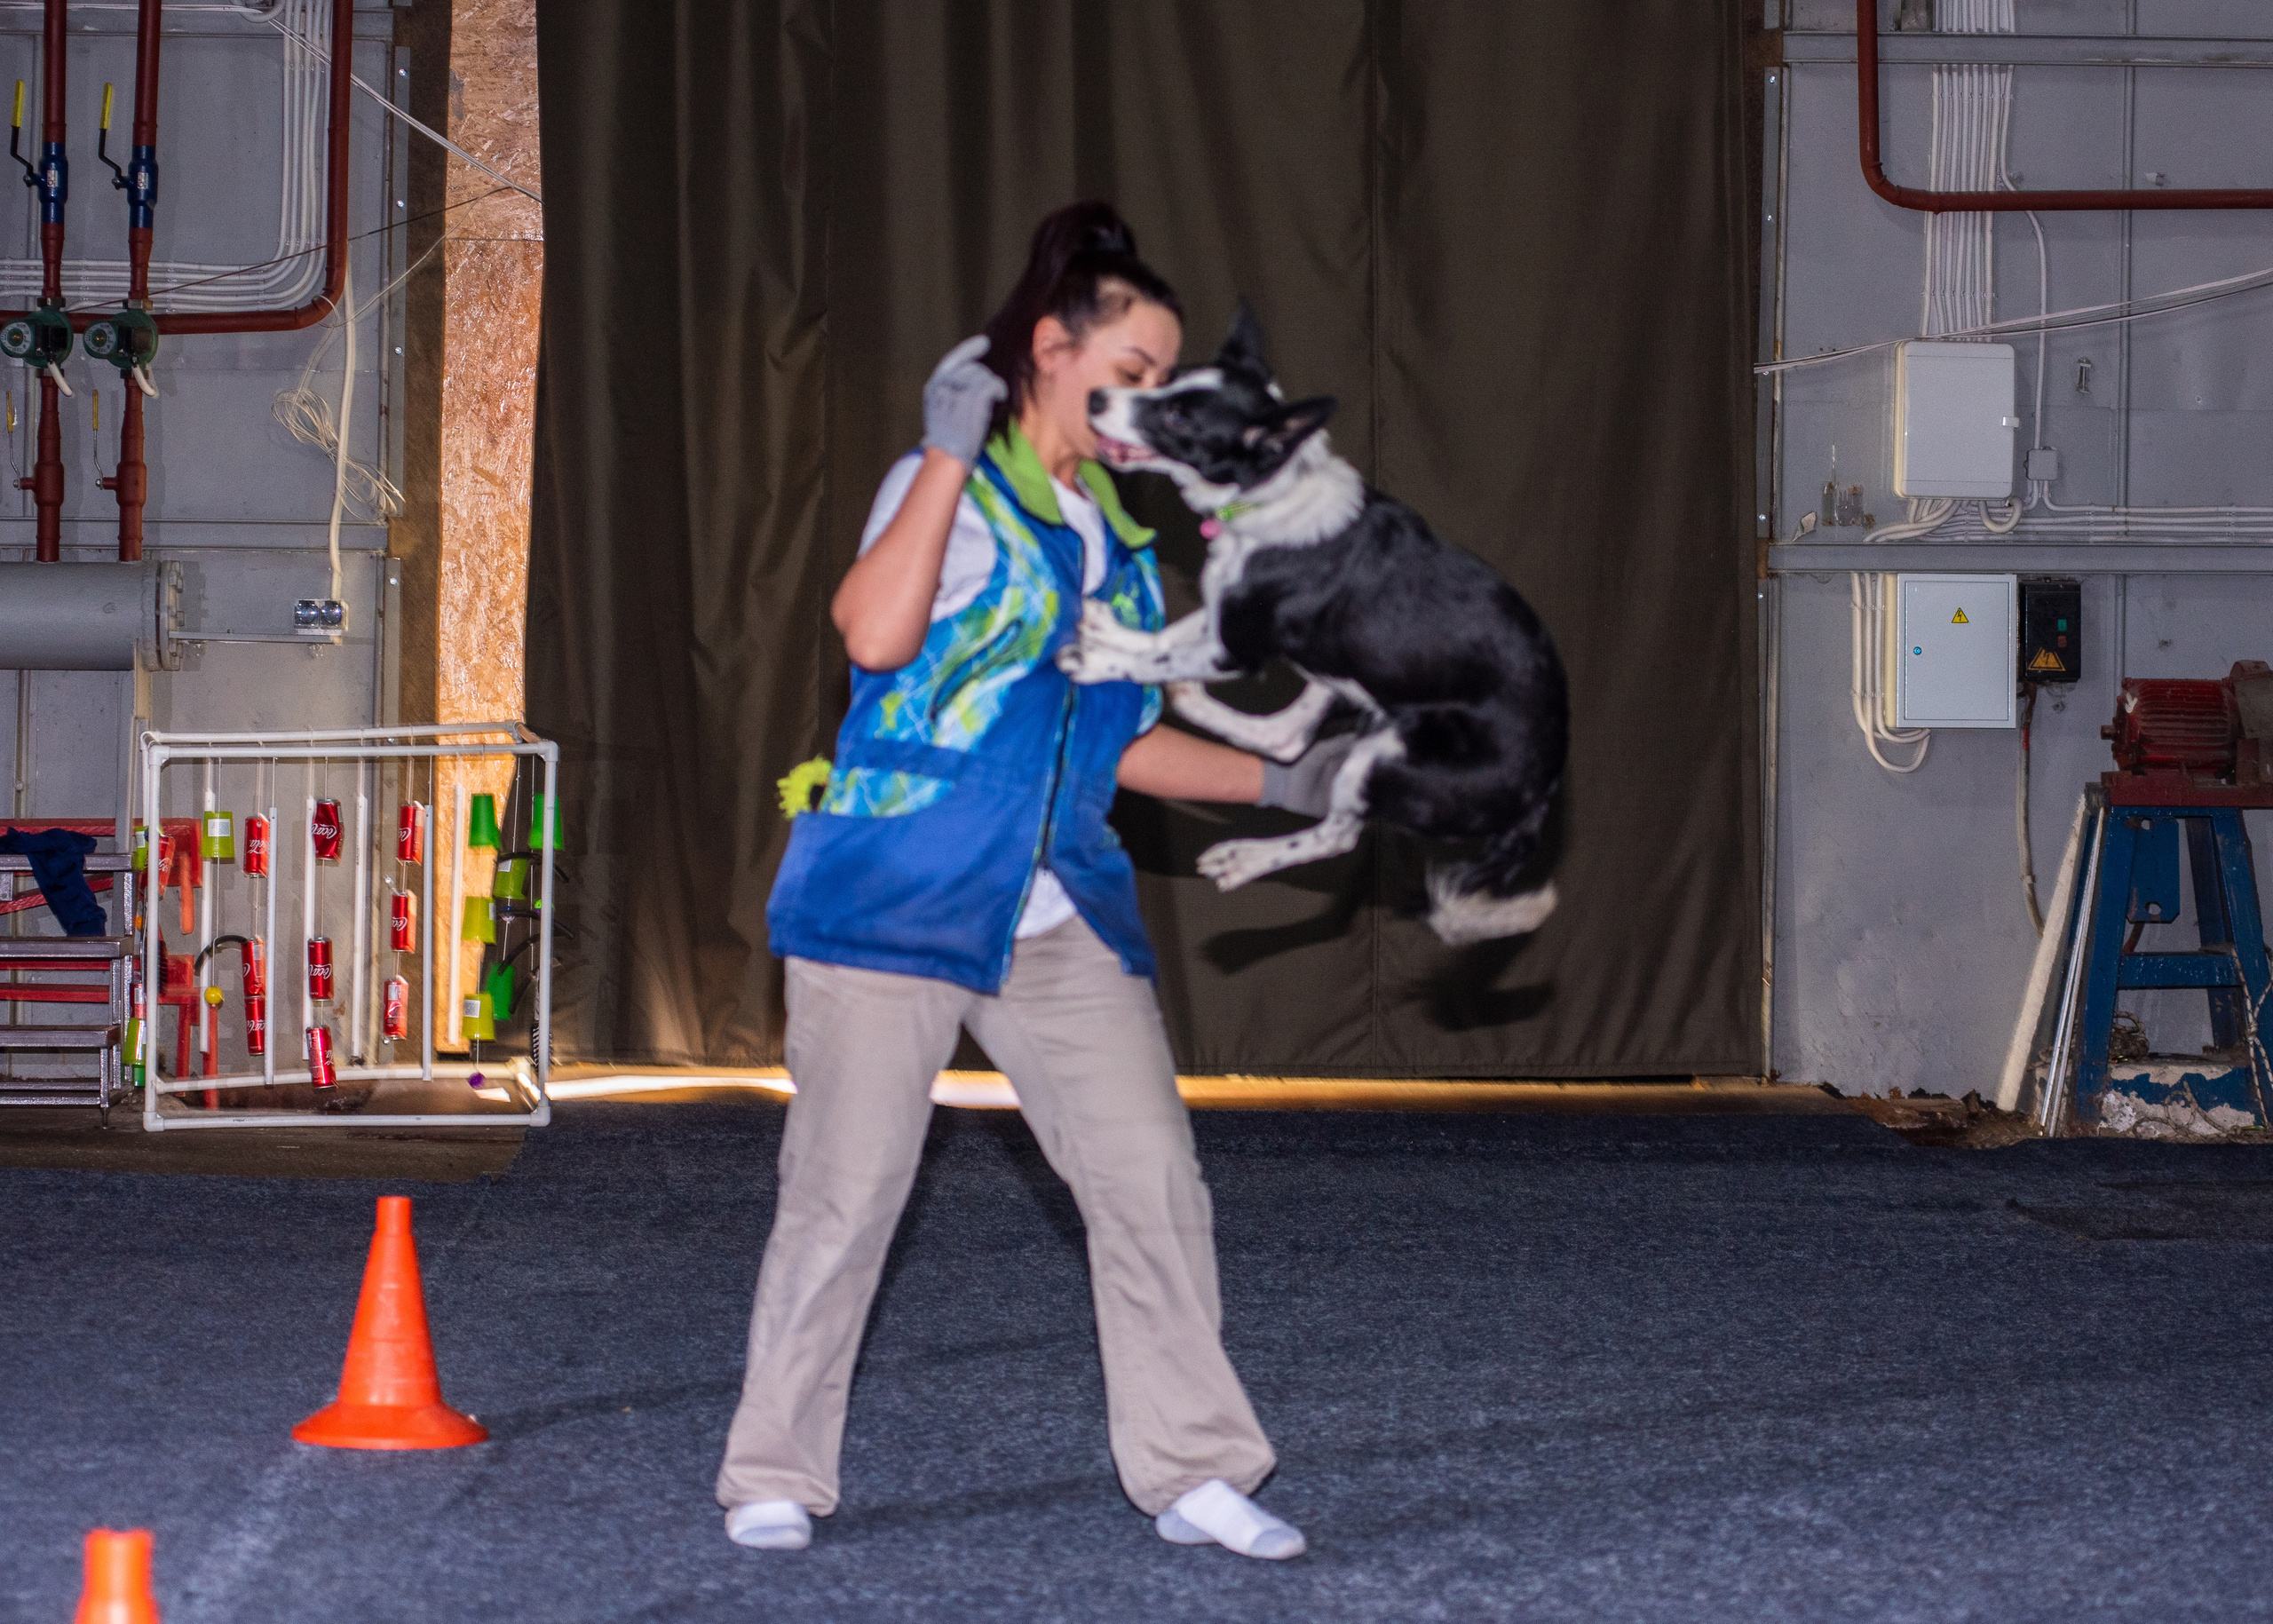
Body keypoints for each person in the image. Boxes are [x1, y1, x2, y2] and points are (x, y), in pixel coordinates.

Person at [716, 202, 1346, 1560]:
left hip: (1058, 906)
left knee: (1151, 1179)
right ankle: (772, 1467)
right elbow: (872, 634)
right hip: (898, 895)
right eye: (1133, 368)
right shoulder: (943, 483)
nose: (1153, 400)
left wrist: (1294, 778)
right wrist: (947, 456)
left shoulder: (1113, 537)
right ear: (1051, 352)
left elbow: (1124, 743)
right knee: (846, 1189)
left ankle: (1190, 1468)